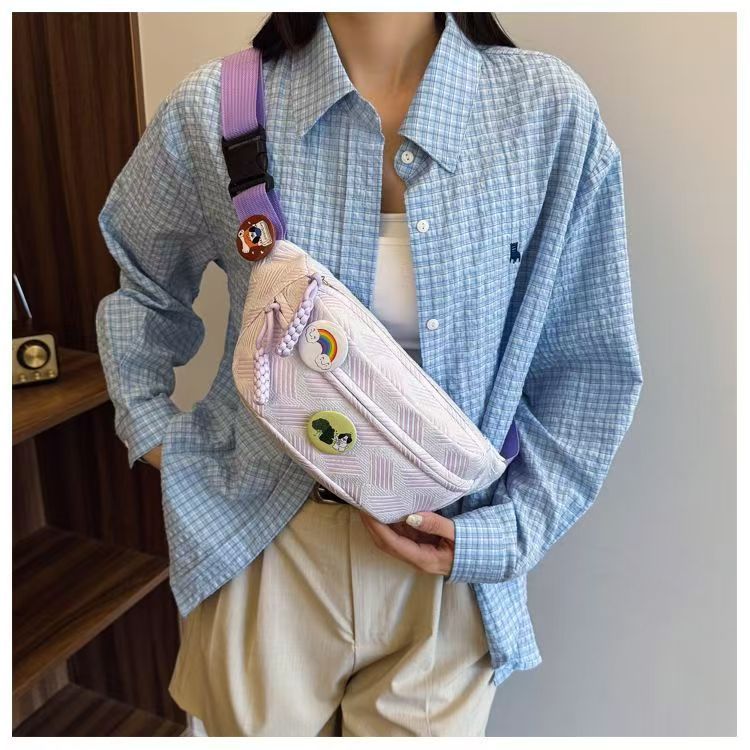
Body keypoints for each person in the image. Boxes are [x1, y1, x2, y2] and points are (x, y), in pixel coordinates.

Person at [95, 11, 643, 737]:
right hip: (265, 542)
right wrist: (157, 433)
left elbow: (589, 366)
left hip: (445, 559)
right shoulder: (216, 109)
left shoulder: (547, 114)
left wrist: (504, 534)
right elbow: (142, 282)